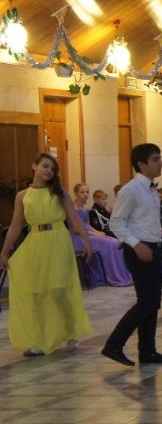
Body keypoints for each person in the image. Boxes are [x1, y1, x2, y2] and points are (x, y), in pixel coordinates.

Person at [0, 153, 93, 357]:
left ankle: (71, 330)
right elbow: (15, 225)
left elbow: (74, 219)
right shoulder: (22, 196)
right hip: (35, 242)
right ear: (34, 166)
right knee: (38, 292)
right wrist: (4, 252)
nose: (48, 171)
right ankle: (40, 340)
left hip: (58, 240)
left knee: (59, 291)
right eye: (44, 166)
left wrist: (87, 242)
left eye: (52, 169)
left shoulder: (60, 193)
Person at [101, 143, 162, 367]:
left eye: (160, 158)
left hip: (152, 247)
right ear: (141, 164)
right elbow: (116, 222)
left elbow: (144, 221)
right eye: (156, 160)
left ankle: (148, 351)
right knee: (147, 302)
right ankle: (114, 344)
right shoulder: (131, 190)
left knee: (152, 303)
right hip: (139, 250)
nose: (161, 163)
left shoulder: (151, 190)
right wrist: (136, 244)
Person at [71, 183, 133, 287]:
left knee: (117, 242)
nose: (85, 194)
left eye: (87, 192)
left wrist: (97, 232)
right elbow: (75, 228)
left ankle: (123, 275)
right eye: (82, 192)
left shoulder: (84, 208)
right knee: (112, 244)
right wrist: (94, 233)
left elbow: (87, 224)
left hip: (89, 234)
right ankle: (114, 276)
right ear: (76, 193)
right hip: (79, 238)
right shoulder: (72, 208)